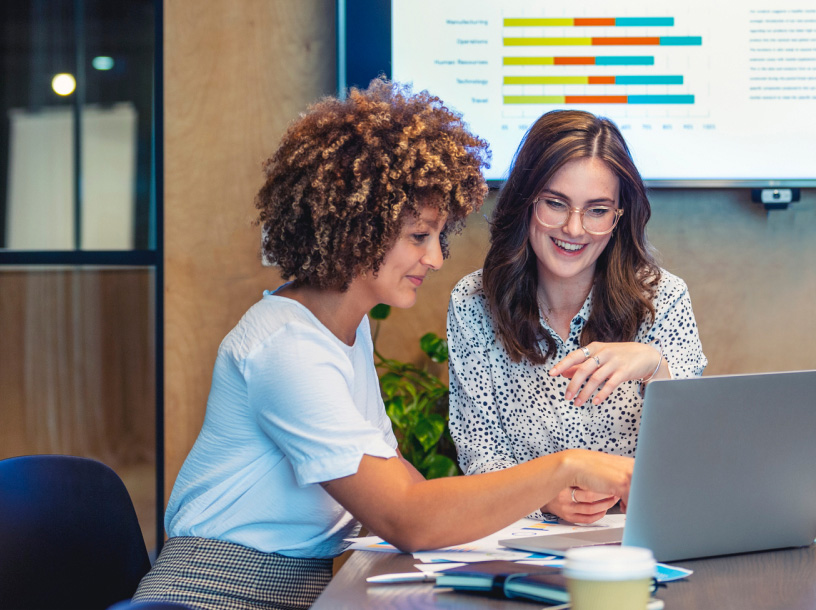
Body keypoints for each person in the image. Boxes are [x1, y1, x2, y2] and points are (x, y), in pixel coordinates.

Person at [132, 82, 633, 610]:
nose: (436, 260)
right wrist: (566, 466)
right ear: (356, 230)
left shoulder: (344, 329)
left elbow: (404, 483)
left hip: (299, 588)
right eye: (419, 237)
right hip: (210, 594)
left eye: (439, 238)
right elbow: (407, 515)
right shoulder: (286, 348)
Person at [447, 110, 707, 526]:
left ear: (619, 217)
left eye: (597, 210)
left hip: (637, 537)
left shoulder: (665, 297)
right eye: (555, 203)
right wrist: (544, 497)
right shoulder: (474, 302)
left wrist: (654, 366)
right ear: (525, 201)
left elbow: (694, 452)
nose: (574, 228)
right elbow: (479, 450)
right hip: (520, 538)